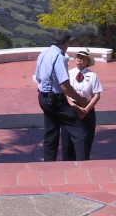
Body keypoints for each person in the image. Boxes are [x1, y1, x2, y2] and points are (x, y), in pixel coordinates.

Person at [35, 30, 89, 162]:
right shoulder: (59, 57)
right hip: (56, 99)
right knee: (80, 131)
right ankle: (82, 162)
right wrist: (80, 100)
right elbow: (64, 85)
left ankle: (49, 164)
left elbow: (38, 77)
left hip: (43, 97)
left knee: (51, 132)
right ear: (65, 43)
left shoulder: (43, 54)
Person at [61, 50, 103, 161]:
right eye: (78, 57)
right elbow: (65, 92)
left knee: (86, 140)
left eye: (82, 57)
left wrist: (85, 110)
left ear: (87, 61)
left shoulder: (93, 76)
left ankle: (83, 162)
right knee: (67, 141)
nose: (79, 59)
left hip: (87, 108)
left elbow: (97, 95)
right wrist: (73, 106)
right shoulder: (69, 74)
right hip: (71, 108)